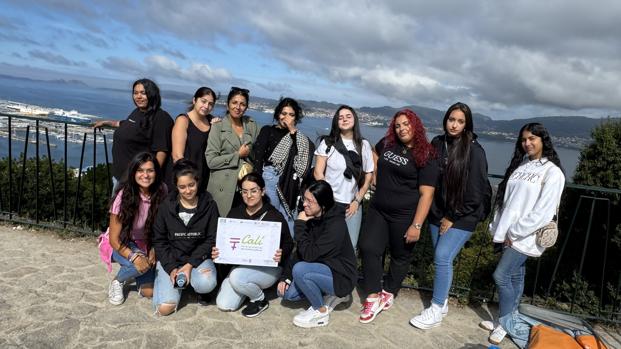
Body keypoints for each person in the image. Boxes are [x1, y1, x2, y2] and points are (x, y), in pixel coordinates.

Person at [482, 123, 565, 348]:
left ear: (543, 140)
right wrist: (497, 227)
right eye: (523, 139)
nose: (527, 143)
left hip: (524, 236)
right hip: (508, 233)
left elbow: (544, 210)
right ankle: (507, 318)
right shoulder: (522, 166)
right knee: (516, 277)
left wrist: (515, 232)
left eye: (532, 138)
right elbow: (507, 201)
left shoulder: (552, 172)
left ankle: (506, 323)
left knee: (501, 276)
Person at [410, 102, 491, 329]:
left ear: (467, 125)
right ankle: (443, 302)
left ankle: (435, 309)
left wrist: (453, 217)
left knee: (443, 256)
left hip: (463, 215)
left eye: (460, 121)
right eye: (451, 119)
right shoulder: (438, 143)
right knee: (441, 257)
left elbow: (476, 192)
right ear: (445, 120)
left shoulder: (475, 151)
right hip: (438, 212)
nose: (454, 125)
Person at [358, 109, 438, 324]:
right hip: (378, 209)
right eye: (398, 125)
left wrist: (417, 225)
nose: (401, 128)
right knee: (368, 247)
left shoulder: (426, 155)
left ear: (416, 125)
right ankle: (373, 295)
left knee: (400, 255)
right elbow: (375, 153)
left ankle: (389, 291)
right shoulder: (388, 143)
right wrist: (375, 173)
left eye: (406, 124)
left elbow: (427, 194)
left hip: (404, 214)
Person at [277, 180, 357, 328]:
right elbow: (300, 251)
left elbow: (308, 255)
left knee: (300, 270)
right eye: (304, 199)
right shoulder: (311, 217)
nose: (304, 204)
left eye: (310, 201)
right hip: (322, 267)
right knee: (287, 294)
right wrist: (286, 277)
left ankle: (320, 312)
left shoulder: (335, 225)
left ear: (323, 205)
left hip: (341, 276)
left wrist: (299, 225)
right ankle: (325, 291)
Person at [214, 172, 294, 317]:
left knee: (237, 277)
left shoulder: (274, 216)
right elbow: (224, 241)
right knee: (224, 304)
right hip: (240, 266)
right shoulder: (234, 213)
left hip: (267, 269)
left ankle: (259, 299)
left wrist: (281, 253)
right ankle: (247, 288)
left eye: (253, 191)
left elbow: (288, 243)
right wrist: (219, 252)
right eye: (244, 192)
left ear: (262, 191)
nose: (249, 195)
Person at [151, 160, 219, 315]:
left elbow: (211, 239)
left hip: (198, 259)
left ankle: (193, 283)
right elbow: (160, 241)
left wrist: (189, 265)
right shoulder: (166, 206)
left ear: (197, 182)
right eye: (182, 187)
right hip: (172, 258)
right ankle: (168, 281)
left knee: (206, 283)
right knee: (165, 309)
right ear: (176, 186)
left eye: (191, 185)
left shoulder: (209, 205)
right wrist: (171, 268)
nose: (188, 190)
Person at [106, 152, 167, 305]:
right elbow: (114, 240)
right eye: (140, 170)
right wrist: (135, 257)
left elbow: (162, 225)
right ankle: (118, 280)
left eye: (150, 170)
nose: (145, 175)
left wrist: (154, 248)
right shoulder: (123, 196)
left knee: (149, 292)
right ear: (133, 172)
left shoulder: (162, 191)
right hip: (124, 242)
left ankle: (135, 270)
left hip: (147, 242)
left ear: (156, 173)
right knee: (140, 264)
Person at [94, 78, 173, 188]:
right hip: (121, 176)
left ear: (152, 94)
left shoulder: (160, 118)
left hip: (137, 180)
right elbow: (128, 125)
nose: (138, 97)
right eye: (135, 93)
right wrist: (107, 122)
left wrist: (150, 178)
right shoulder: (138, 112)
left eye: (143, 93)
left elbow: (161, 151)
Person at [313, 105, 374, 248]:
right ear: (336, 122)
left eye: (348, 116)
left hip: (352, 205)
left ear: (355, 120)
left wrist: (357, 201)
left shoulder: (363, 145)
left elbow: (368, 175)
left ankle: (345, 271)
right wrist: (328, 198)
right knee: (327, 245)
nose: (344, 119)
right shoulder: (328, 143)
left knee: (349, 247)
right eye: (340, 117)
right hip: (330, 204)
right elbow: (318, 173)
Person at [253, 97, 314, 235]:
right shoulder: (268, 130)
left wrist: (293, 132)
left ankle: (286, 249)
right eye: (283, 113)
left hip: (290, 182)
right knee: (272, 214)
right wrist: (258, 184)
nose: (286, 117)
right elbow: (258, 158)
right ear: (277, 114)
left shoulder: (299, 138)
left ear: (296, 118)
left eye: (291, 114)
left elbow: (304, 160)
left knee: (288, 215)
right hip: (270, 177)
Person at [206, 86, 259, 215]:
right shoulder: (218, 127)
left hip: (245, 189)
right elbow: (211, 161)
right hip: (222, 188)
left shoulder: (251, 125)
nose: (238, 107)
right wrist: (237, 155)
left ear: (246, 107)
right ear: (227, 104)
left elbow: (261, 148)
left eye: (242, 104)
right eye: (234, 102)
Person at [168, 86, 219, 192]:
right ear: (194, 100)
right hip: (183, 180)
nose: (206, 106)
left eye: (210, 104)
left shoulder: (212, 121)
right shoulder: (183, 120)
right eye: (203, 101)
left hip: (202, 179)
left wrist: (217, 127)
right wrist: (188, 182)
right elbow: (177, 156)